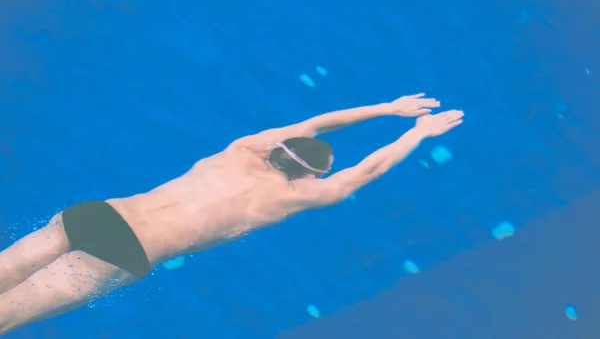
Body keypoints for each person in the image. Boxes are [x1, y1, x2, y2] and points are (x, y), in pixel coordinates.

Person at [0, 93, 463, 334]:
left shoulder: (245, 149)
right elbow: (367, 171)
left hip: (96, 214)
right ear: (309, 177)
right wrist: (416, 134)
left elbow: (318, 123)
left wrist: (389, 108)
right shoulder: (294, 197)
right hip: (123, 251)